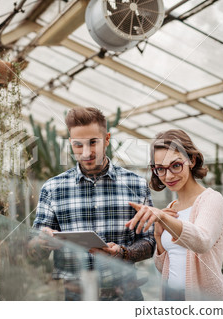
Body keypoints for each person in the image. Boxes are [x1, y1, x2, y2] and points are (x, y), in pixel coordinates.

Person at [28, 107, 155, 300]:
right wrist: (41, 242)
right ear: (71, 143)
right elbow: (34, 252)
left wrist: (123, 253)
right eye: (78, 145)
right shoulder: (52, 188)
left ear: (106, 139)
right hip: (76, 299)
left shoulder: (136, 185)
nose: (86, 152)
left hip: (125, 297)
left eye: (93, 142)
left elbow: (149, 242)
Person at [126, 129, 223, 301]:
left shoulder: (211, 200)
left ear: (192, 160)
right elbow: (163, 267)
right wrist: (158, 236)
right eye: (160, 169)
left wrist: (163, 218)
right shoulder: (171, 207)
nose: (168, 176)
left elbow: (202, 241)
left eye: (175, 165)